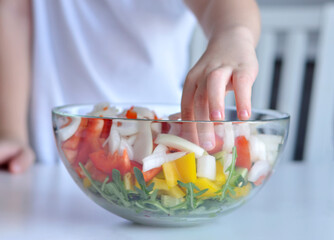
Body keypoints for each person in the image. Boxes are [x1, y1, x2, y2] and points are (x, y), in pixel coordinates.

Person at [0, 0, 260, 174]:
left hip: (165, 150)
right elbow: (12, 10)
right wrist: (11, 132)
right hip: (47, 156)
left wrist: (234, 35)